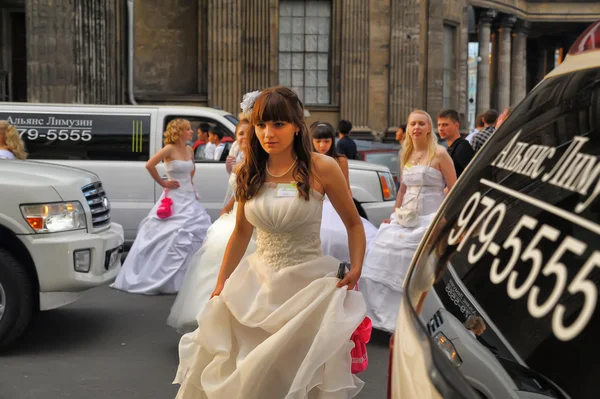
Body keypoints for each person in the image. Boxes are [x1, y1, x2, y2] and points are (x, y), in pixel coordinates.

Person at [173, 86, 367, 398]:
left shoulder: (322, 167)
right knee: (246, 372)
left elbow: (354, 223)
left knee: (297, 375)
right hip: (255, 286)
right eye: (261, 125)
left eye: (278, 124)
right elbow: (240, 233)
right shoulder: (248, 169)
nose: (268, 133)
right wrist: (221, 284)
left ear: (296, 127)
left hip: (307, 288)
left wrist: (356, 267)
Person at [358, 110, 456, 333]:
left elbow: (454, 186)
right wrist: (394, 214)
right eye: (413, 124)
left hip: (430, 217)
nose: (417, 128)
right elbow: (402, 189)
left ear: (429, 128)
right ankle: (378, 313)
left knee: (413, 261)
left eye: (422, 123)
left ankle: (411, 314)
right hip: (404, 217)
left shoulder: (440, 154)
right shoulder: (407, 155)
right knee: (381, 252)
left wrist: (443, 217)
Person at [168, 119, 256, 334]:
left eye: (247, 133)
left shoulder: (259, 161)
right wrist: (228, 205)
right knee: (214, 255)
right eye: (239, 134)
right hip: (235, 214)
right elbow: (239, 191)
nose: (242, 138)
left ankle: (236, 314)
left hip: (251, 218)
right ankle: (207, 310)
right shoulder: (237, 158)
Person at [111, 119, 212, 295]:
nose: (191, 131)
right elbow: (149, 164)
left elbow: (191, 169)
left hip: (189, 196)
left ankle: (189, 279)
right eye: (188, 129)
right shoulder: (169, 149)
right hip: (174, 198)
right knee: (167, 235)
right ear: (179, 131)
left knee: (195, 232)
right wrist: (164, 183)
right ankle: (158, 277)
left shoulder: (189, 149)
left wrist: (189, 182)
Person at [310, 121, 378, 264]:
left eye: (326, 141)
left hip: (335, 203)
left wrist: (351, 209)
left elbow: (346, 187)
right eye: (318, 141)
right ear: (312, 141)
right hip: (316, 203)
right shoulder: (308, 160)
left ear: (332, 141)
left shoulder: (340, 160)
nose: (322, 145)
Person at [437, 109, 474, 178]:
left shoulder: (462, 148)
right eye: (439, 125)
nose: (440, 129)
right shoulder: (450, 147)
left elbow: (472, 175)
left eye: (445, 125)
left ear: (456, 125)